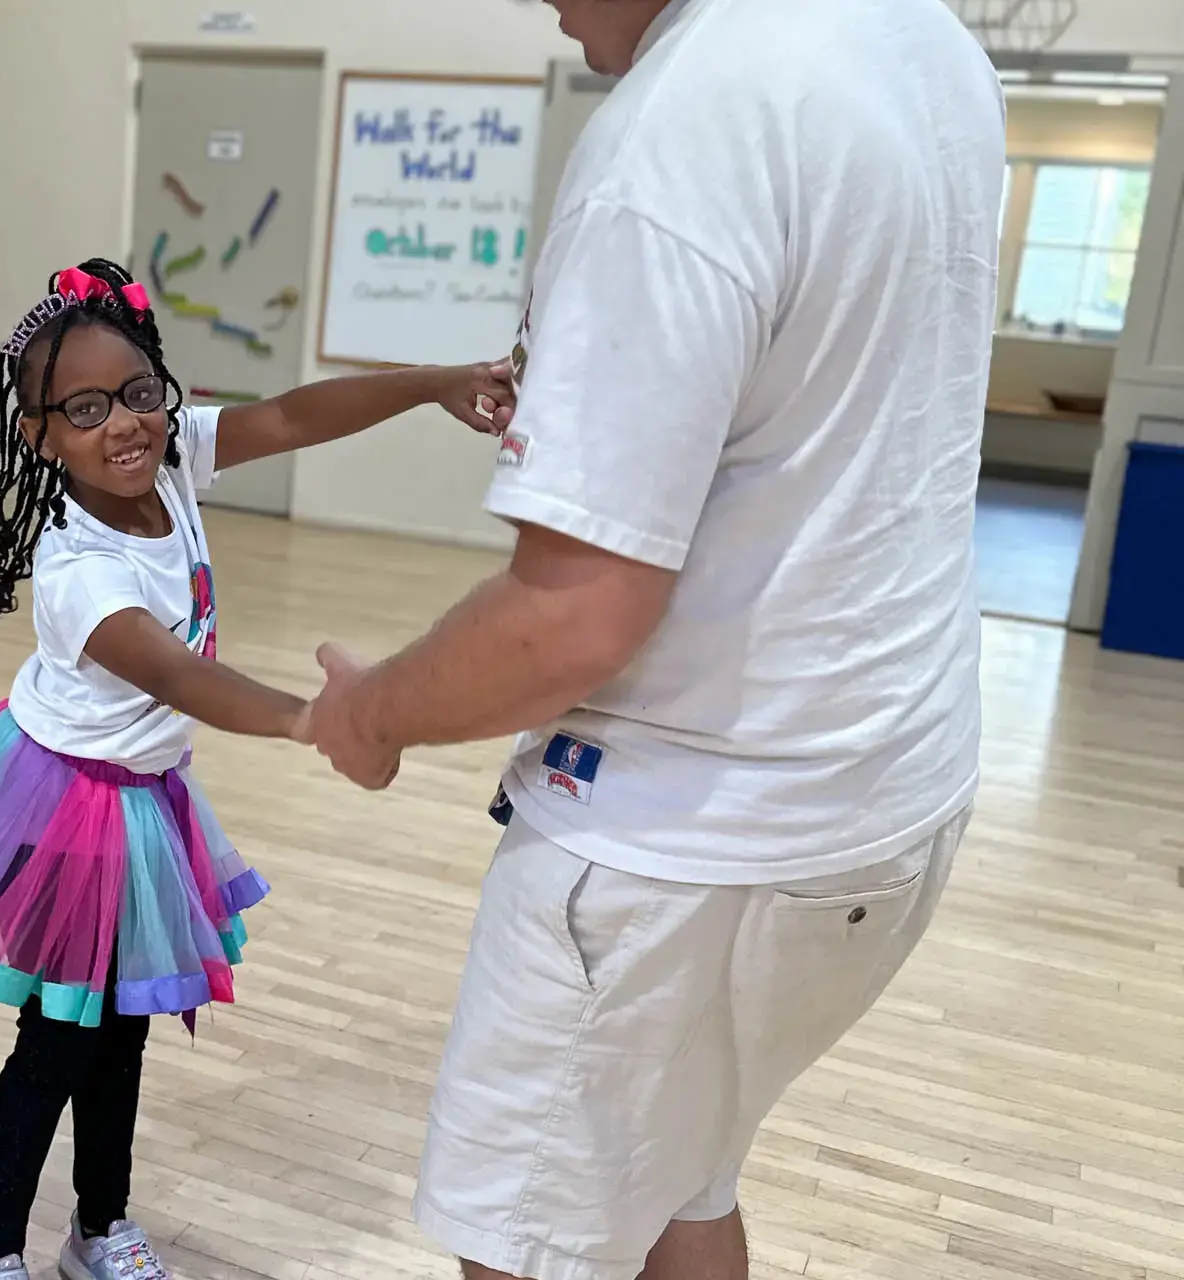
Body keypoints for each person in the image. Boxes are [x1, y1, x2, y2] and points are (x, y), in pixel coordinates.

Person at [299, 0, 1004, 1277]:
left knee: (528, 1244)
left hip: (689, 846)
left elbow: (573, 617)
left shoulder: (677, 132)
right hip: (890, 791)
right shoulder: (922, 40)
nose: (539, 2)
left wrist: (372, 711)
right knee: (681, 1180)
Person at [0, 258, 514, 1280]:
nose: (122, 423)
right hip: (64, 807)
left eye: (137, 393)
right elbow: (175, 673)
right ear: (40, 435)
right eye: (84, 409)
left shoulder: (170, 463)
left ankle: (98, 1225)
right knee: (57, 1047)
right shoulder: (78, 568)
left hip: (143, 796)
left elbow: (297, 415)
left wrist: (433, 383)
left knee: (122, 1031)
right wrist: (314, 718)